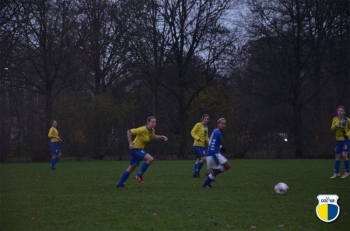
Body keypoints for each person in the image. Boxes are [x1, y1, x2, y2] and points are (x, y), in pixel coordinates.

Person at [117, 116, 168, 188]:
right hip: (135, 148)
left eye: (155, 122)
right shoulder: (143, 129)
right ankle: (139, 175)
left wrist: (162, 137)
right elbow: (129, 131)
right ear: (148, 122)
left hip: (138, 149)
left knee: (131, 168)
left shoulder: (152, 130)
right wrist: (130, 143)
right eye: (152, 122)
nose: (154, 123)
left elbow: (153, 137)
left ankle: (120, 183)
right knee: (150, 159)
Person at [202, 118, 231, 188]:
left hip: (213, 154)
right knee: (226, 166)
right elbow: (212, 145)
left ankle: (206, 184)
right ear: (218, 124)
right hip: (213, 154)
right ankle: (206, 183)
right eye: (222, 124)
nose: (224, 125)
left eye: (225, 124)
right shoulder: (217, 133)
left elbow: (212, 142)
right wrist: (215, 157)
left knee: (224, 168)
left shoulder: (216, 131)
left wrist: (220, 147)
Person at [330, 106, 350, 179]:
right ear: (337, 112)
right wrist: (335, 126)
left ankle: (347, 172)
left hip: (345, 140)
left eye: (342, 111)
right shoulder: (335, 119)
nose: (340, 112)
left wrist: (347, 135)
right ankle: (336, 173)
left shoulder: (347, 120)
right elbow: (332, 128)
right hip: (338, 141)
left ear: (344, 112)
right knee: (337, 156)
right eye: (339, 111)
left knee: (344, 155)